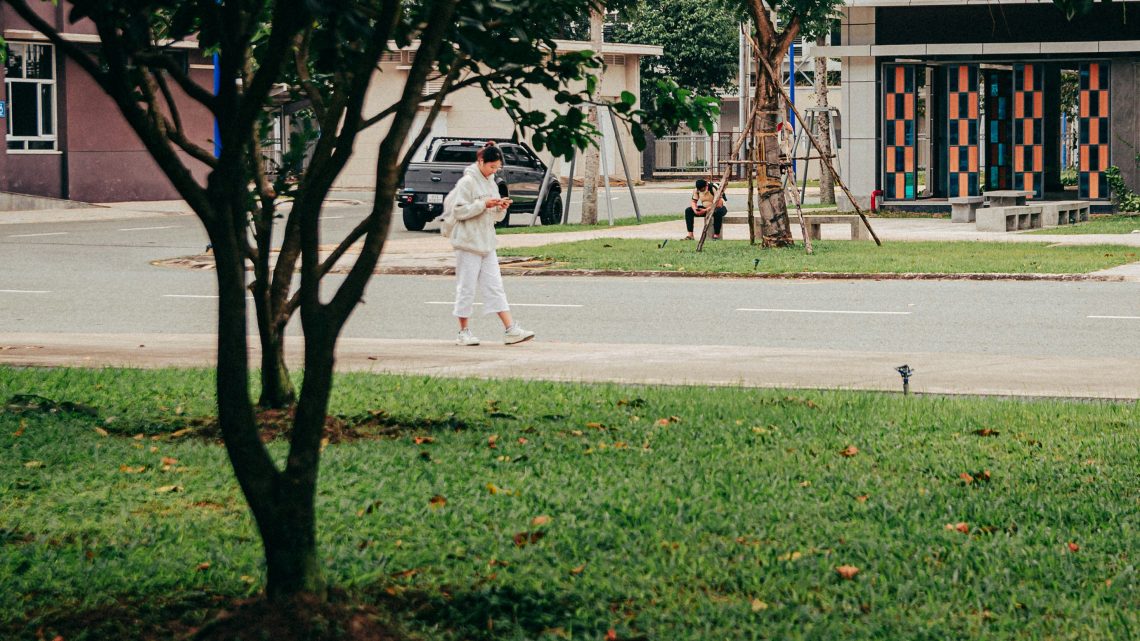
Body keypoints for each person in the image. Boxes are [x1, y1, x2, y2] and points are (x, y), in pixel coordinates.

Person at [440, 142, 536, 346]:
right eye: (491, 166)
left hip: (486, 241)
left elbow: (496, 217)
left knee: (495, 286)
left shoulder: (492, 182)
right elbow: (459, 211)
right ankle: (463, 331)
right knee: (466, 288)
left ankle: (511, 329)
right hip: (467, 242)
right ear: (481, 161)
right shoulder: (468, 182)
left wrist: (500, 207)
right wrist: (483, 204)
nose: (494, 171)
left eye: (497, 167)